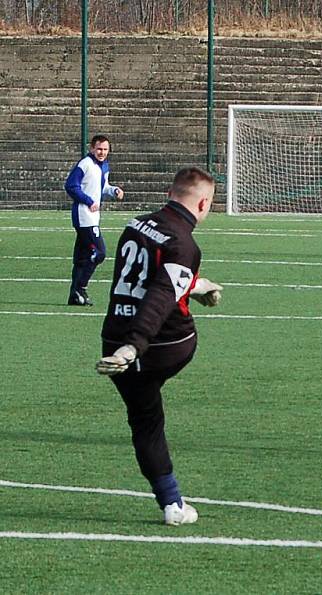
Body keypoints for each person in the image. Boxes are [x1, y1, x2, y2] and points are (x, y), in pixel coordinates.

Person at [95, 167, 223, 526]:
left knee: (146, 420)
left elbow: (153, 280)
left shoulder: (136, 224)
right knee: (150, 408)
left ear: (170, 191)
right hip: (161, 346)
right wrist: (135, 347)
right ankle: (173, 506)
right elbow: (161, 294)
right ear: (203, 204)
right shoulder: (185, 244)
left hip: (112, 337)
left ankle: (172, 504)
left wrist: (195, 285)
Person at [64, 134, 124, 306]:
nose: (102, 152)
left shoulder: (103, 165)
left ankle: (74, 296)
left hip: (93, 217)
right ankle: (80, 288)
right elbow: (70, 185)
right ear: (92, 148)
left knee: (82, 257)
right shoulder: (85, 164)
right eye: (99, 149)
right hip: (84, 216)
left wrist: (113, 190)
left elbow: (102, 186)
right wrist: (88, 201)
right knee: (99, 252)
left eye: (105, 149)